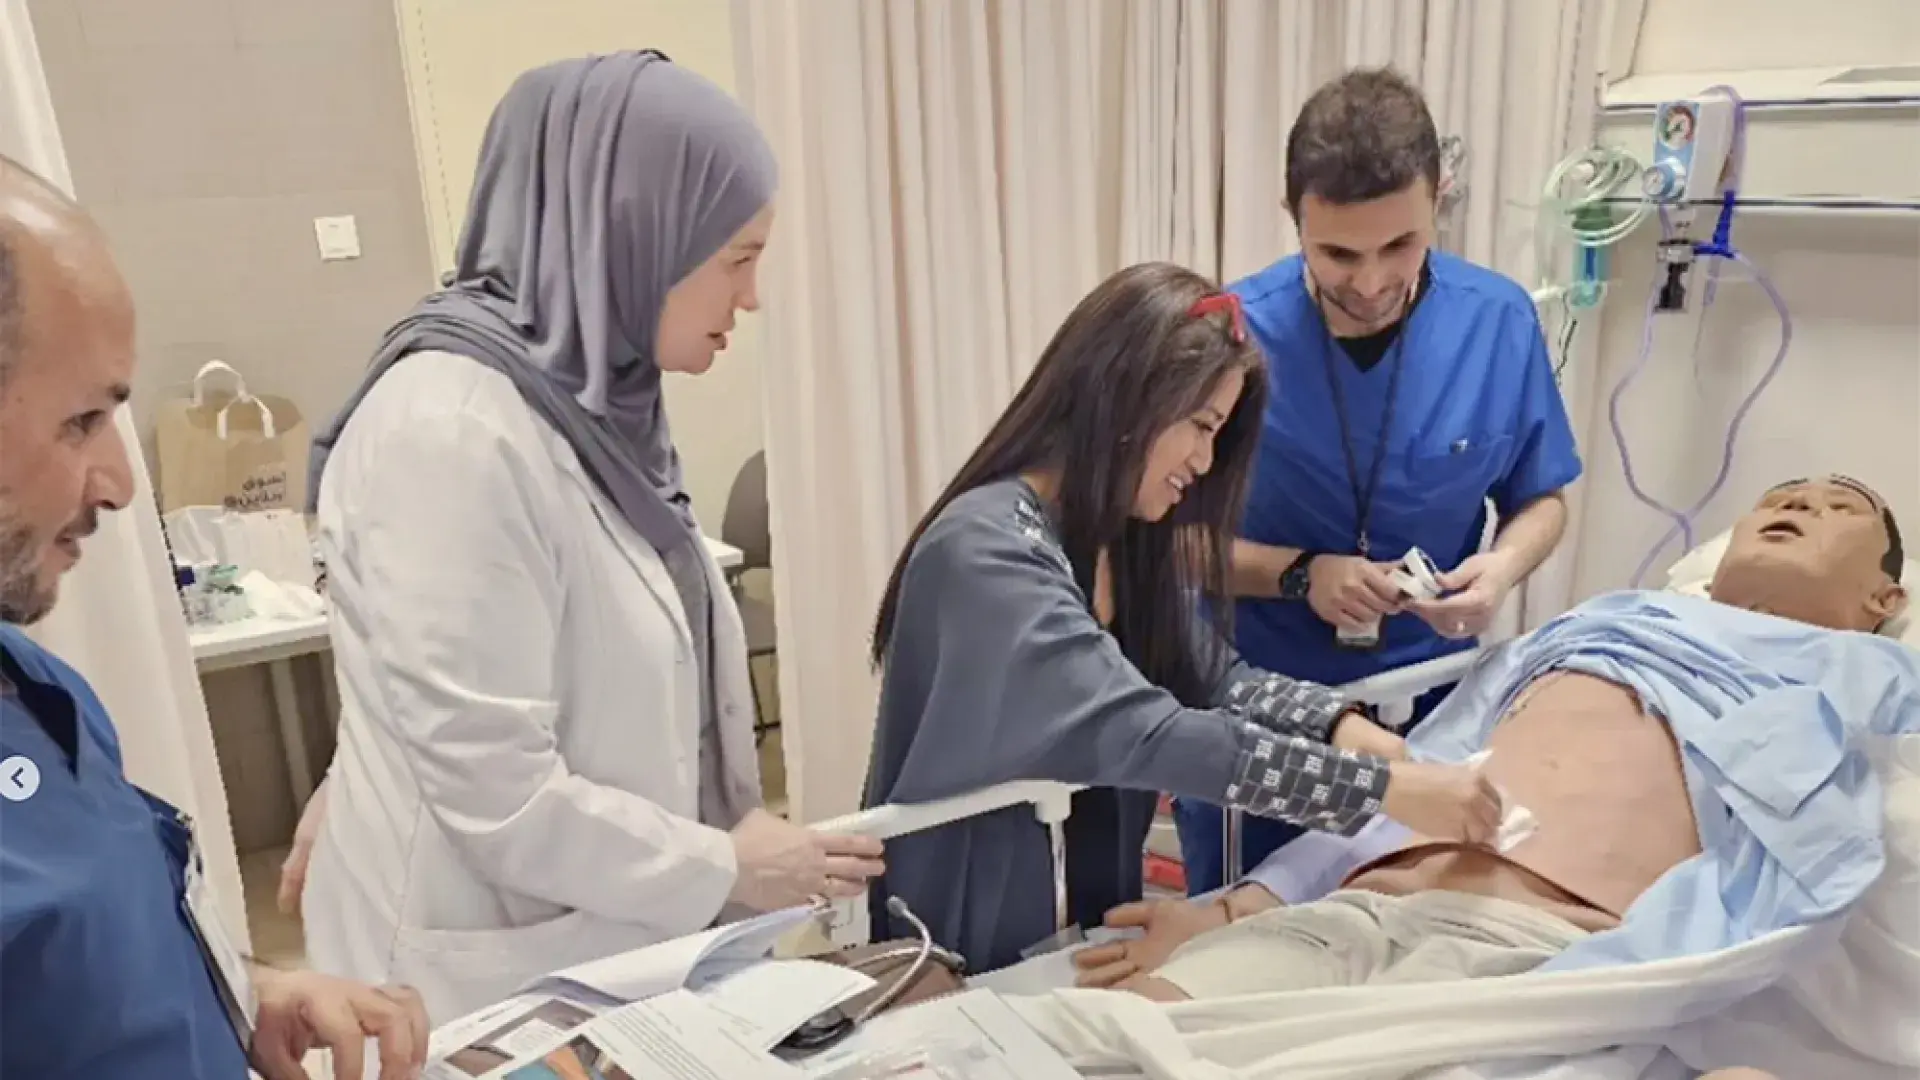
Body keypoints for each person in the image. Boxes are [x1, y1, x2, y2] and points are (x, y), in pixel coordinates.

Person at [288, 52, 882, 1025]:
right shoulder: (454, 434)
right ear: (630, 233)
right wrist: (728, 862)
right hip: (472, 971)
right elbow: (500, 793)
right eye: (736, 257)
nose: (754, 297)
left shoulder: (596, 411)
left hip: (603, 936)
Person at [863, 261, 1508, 973]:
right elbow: (1149, 732)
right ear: (1129, 400)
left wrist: (1366, 738)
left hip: (1079, 922)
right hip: (958, 928)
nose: (1204, 460)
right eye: (1200, 426)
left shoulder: (1119, 540)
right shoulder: (986, 552)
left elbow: (1219, 679)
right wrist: (1382, 791)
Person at [1074, 475, 1913, 1006]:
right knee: (1117, 1035)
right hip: (1362, 912)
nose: (1800, 503)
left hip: (1533, 956)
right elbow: (1421, 774)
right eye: (1784, 496)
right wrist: (1233, 906)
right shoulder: (1594, 623)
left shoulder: (1872, 679)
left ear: (1886, 597)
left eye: (1842, 508)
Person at [0, 157, 430, 1078]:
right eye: (80, 422)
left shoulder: (40, 693)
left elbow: (76, 974)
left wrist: (235, 993)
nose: (117, 483)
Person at [1175, 67, 1585, 893]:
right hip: (1269, 709)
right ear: (1293, 218)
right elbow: (1165, 540)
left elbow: (1542, 498)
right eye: (1336, 254)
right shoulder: (1230, 335)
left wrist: (1498, 573)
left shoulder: (1497, 322)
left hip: (1432, 701)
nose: (1368, 283)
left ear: (1440, 199)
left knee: (1407, 919)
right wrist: (1297, 574)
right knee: (1246, 934)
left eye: (1399, 246)